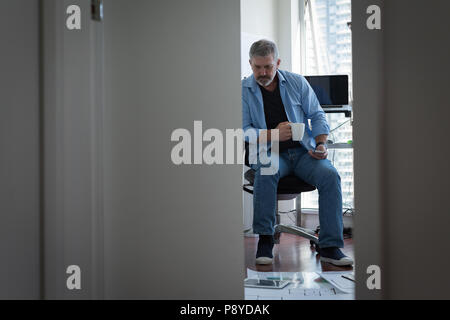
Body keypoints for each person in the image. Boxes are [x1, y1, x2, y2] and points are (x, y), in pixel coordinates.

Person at [242, 39, 353, 266]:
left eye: (268, 67)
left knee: (330, 175)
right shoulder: (242, 90)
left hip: (304, 153)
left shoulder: (296, 82)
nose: (262, 73)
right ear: (250, 64)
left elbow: (317, 114)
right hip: (270, 152)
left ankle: (331, 246)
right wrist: (274, 134)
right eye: (257, 67)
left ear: (278, 63)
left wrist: (321, 144)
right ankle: (265, 239)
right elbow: (242, 131)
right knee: (266, 170)